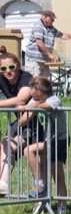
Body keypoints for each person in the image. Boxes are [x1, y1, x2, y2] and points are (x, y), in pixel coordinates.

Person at [18, 77, 69, 214]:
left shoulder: (54, 99)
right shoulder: (34, 101)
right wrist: (28, 110)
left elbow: (46, 107)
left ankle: (62, 206)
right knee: (28, 150)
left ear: (38, 92)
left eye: (32, 89)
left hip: (59, 140)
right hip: (48, 140)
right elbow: (22, 122)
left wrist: (30, 107)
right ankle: (40, 184)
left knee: (57, 174)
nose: (30, 92)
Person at [0, 53, 34, 196]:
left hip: (38, 123)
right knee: (5, 145)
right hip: (21, 122)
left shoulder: (26, 78)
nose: (8, 71)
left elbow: (21, 99)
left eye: (11, 67)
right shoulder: (2, 78)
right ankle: (3, 185)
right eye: (3, 68)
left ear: (18, 66)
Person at [24, 10, 71, 79]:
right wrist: (50, 55)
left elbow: (62, 35)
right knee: (34, 82)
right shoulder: (38, 27)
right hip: (34, 61)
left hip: (44, 61)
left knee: (46, 82)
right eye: (52, 19)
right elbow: (39, 42)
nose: (53, 21)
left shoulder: (51, 28)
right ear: (45, 17)